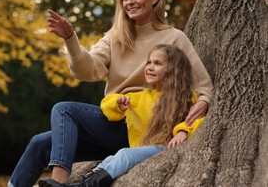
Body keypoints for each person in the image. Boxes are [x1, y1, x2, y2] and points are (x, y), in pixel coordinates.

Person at [7, 0, 212, 187]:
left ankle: (60, 183)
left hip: (147, 125)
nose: (130, 2)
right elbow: (87, 71)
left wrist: (203, 100)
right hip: (113, 122)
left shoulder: (174, 38)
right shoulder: (116, 36)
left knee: (64, 109)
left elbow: (203, 84)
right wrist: (70, 39)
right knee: (40, 143)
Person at [38, 44, 205, 187]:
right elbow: (107, 104)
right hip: (143, 148)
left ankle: (84, 185)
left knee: (124, 154)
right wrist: (118, 103)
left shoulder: (187, 96)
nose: (150, 67)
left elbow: (198, 119)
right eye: (148, 62)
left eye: (157, 63)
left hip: (164, 148)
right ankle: (82, 183)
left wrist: (182, 131)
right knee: (114, 158)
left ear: (173, 69)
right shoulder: (142, 96)